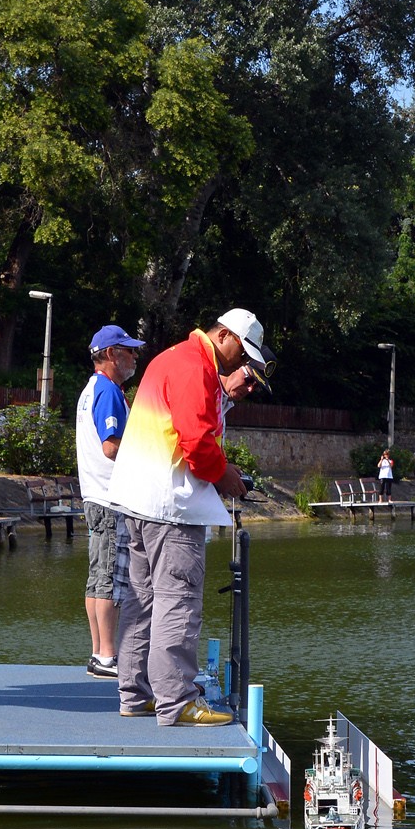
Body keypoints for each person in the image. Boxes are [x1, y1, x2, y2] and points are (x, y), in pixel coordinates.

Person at [109, 308, 267, 727]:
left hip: (138, 501)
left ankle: (134, 693)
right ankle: (177, 702)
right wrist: (227, 476)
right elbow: (196, 443)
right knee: (177, 602)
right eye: (242, 350)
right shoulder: (196, 366)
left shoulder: (172, 356)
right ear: (225, 334)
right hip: (170, 508)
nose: (241, 361)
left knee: (141, 601)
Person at [76, 323, 144, 679]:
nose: (135, 356)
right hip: (108, 498)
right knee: (107, 579)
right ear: (111, 354)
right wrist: (146, 454)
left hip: (95, 496)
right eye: (129, 350)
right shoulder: (108, 390)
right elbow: (111, 446)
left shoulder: (91, 389)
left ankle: (98, 653)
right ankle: (106, 657)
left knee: (96, 576)